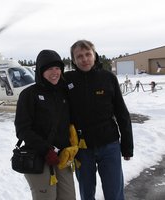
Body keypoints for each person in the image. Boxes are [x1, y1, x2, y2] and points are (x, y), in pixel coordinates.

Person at [64, 39, 134, 200]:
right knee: (86, 193)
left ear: (94, 55)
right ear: (74, 60)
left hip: (109, 145)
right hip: (81, 148)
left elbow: (122, 113)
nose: (84, 59)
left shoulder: (108, 78)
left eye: (88, 54)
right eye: (79, 56)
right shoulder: (67, 80)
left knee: (114, 192)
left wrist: (127, 146)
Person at [15, 49, 76, 200]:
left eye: (57, 68)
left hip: (63, 156)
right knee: (46, 197)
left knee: (69, 197)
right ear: (41, 70)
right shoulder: (29, 94)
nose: (54, 72)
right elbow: (23, 129)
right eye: (49, 68)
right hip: (38, 157)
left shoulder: (64, 92)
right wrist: (46, 150)